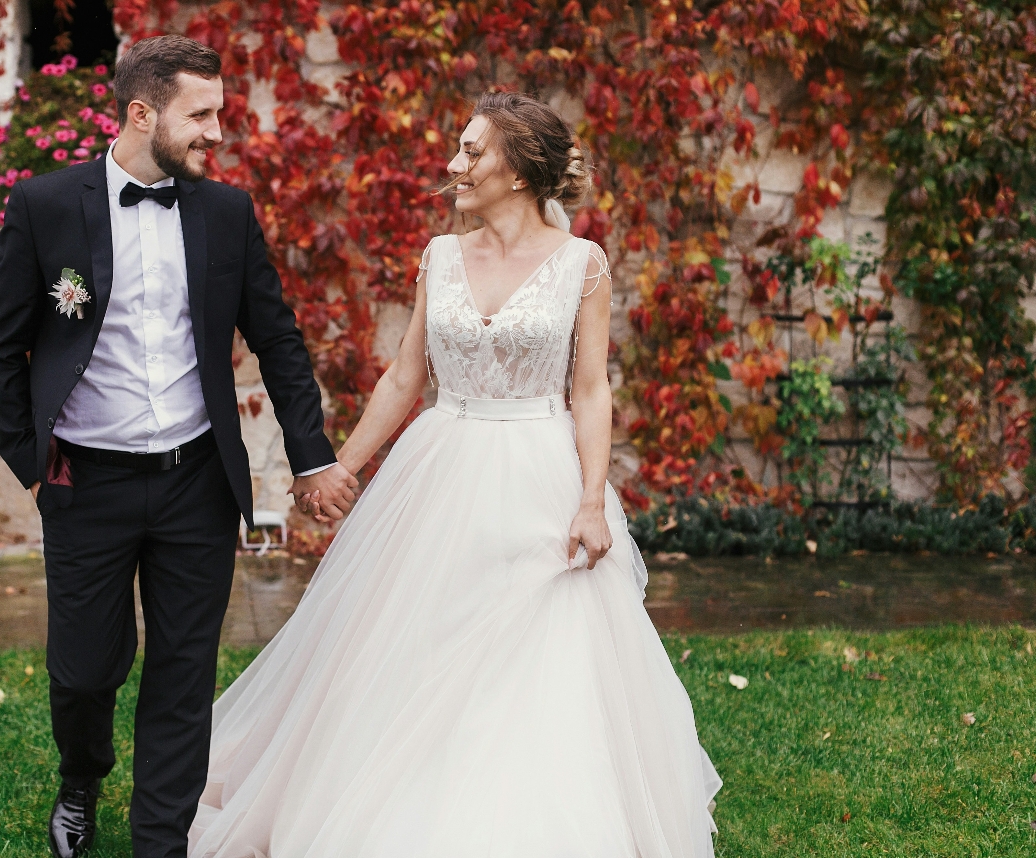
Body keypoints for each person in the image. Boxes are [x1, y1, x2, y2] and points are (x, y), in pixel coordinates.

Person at [187, 91, 722, 858]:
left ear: (523, 168)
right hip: (439, 469)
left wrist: (590, 500)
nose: (453, 165)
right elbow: (405, 378)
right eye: (459, 148)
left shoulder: (582, 263)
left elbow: (591, 389)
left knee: (543, 651)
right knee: (413, 641)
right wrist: (343, 466)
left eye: (473, 152)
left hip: (541, 468)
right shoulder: (440, 256)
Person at [0, 35, 358, 858]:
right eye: (202, 114)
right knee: (83, 671)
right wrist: (31, 466)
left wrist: (313, 454)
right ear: (142, 114)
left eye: (218, 114)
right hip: (85, 481)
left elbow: (280, 341)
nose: (218, 132)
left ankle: (162, 842)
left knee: (183, 674)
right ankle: (81, 779)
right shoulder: (46, 206)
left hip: (197, 483)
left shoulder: (227, 213)